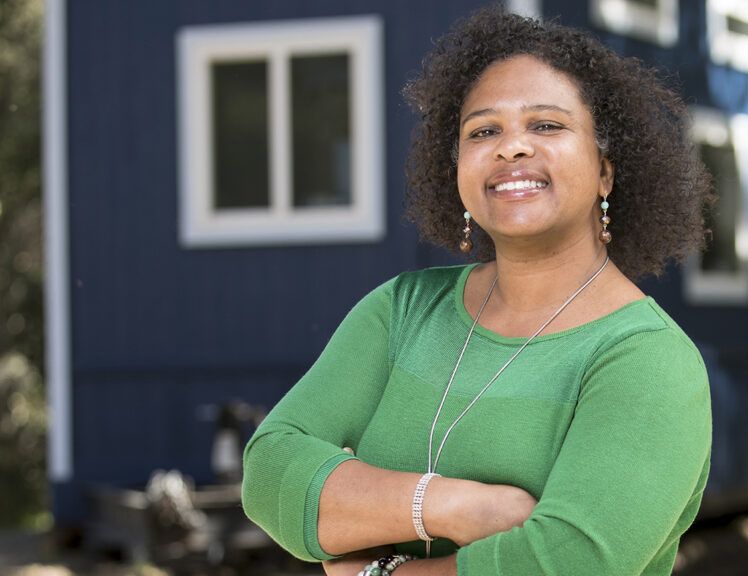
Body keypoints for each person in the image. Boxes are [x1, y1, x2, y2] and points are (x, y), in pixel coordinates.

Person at [241, 7, 713, 576]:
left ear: (606, 172)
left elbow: (569, 563)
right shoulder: (403, 311)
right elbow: (269, 473)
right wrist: (455, 507)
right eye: (483, 130)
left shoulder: (648, 358)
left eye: (547, 125)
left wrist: (373, 563)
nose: (511, 147)